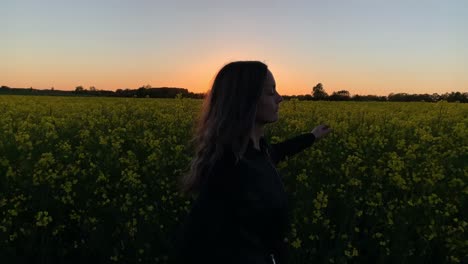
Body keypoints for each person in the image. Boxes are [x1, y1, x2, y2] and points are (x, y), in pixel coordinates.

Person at [170, 61, 332, 264]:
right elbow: (192, 244)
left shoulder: (257, 151)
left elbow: (278, 152)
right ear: (247, 99)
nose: (280, 99)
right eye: (271, 92)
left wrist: (312, 136)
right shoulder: (227, 167)